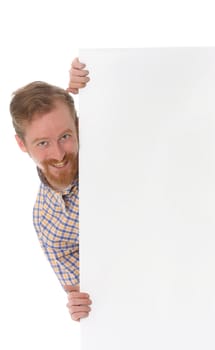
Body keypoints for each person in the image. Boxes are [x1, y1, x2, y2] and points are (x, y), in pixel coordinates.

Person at [10, 58, 91, 322]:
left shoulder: (109, 144)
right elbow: (86, 292)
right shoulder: (46, 221)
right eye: (43, 142)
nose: (58, 154)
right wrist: (82, 305)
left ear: (79, 126)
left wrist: (94, 81)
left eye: (65, 136)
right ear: (22, 145)